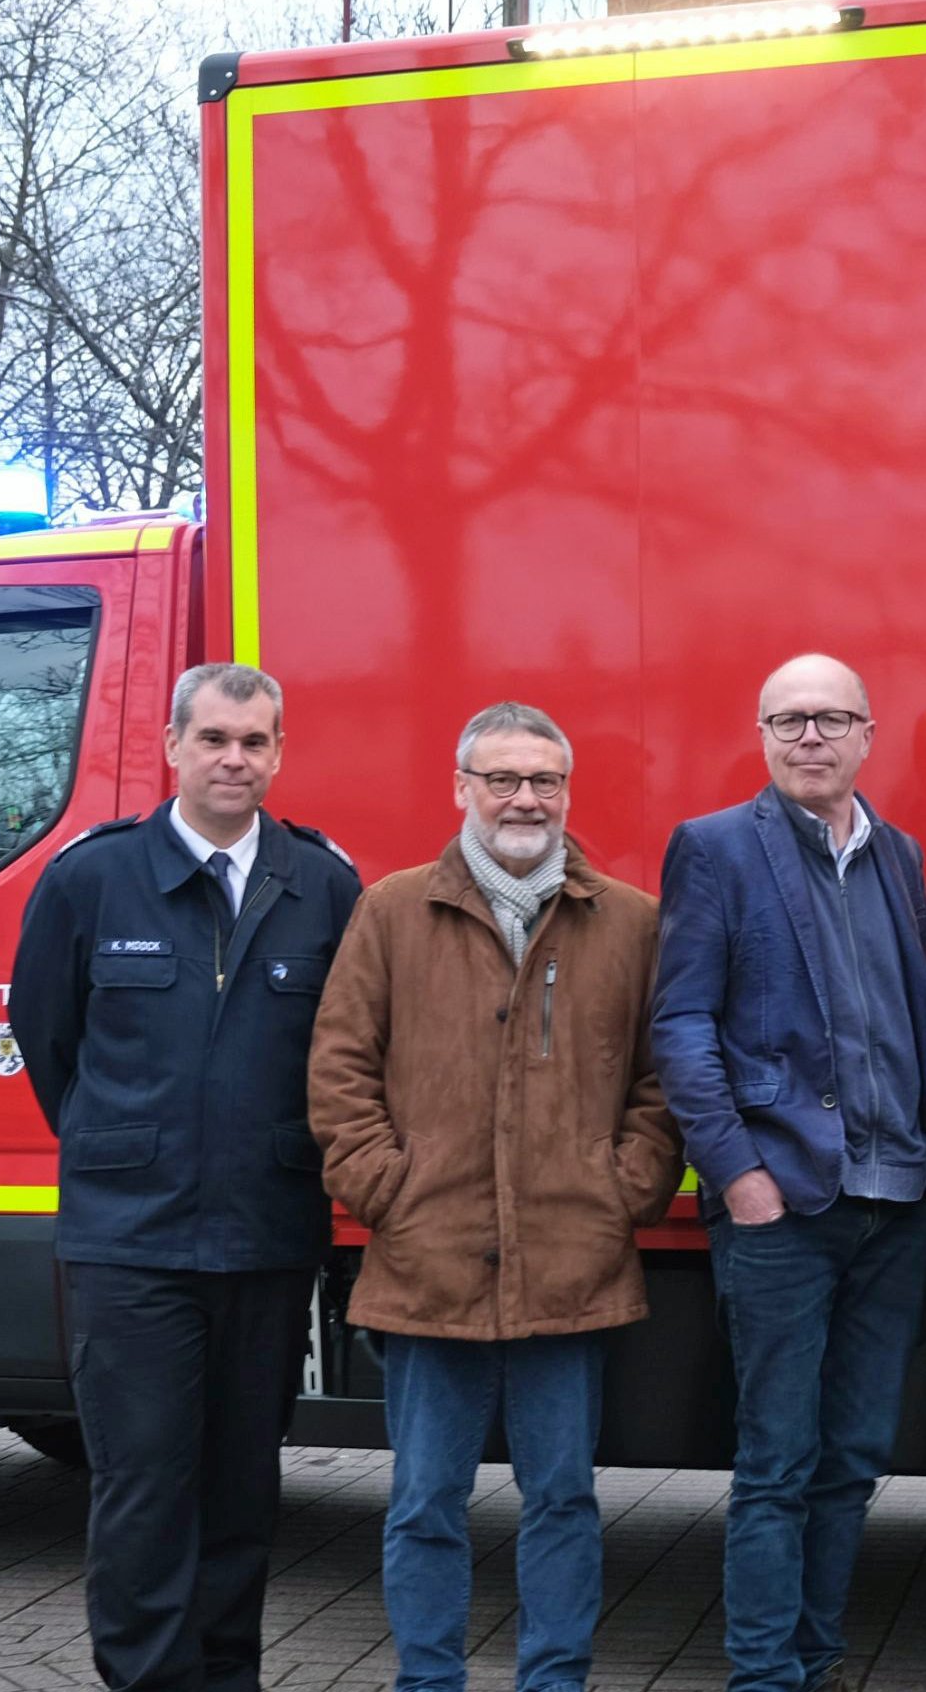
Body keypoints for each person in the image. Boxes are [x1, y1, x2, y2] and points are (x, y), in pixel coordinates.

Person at [305, 702, 682, 1692]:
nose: (525, 799)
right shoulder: (391, 911)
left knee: (562, 1499)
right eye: (503, 778)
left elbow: (662, 1081)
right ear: (462, 788)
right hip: (427, 1261)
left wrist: (623, 1186)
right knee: (425, 1501)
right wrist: (388, 1188)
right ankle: (428, 1680)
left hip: (572, 1259)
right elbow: (340, 1070)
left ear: (567, 791)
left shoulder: (630, 922)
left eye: (544, 780)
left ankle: (554, 1680)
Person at [8, 662, 364, 1692]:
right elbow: (48, 1038)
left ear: (279, 752)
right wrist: (125, 1144)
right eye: (213, 738)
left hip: (266, 1233)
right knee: (144, 1488)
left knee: (243, 1491)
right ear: (172, 745)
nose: (233, 759)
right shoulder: (92, 877)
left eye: (254, 741)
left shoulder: (323, 885)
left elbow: (346, 1049)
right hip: (132, 1241)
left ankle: (225, 1676)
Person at [651, 655, 926, 1692]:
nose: (810, 737)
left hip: (895, 1199)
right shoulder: (715, 848)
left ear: (867, 734)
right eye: (788, 720)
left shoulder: (897, 854)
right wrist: (737, 1172)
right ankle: (762, 1674)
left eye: (831, 719)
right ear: (761, 734)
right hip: (780, 1206)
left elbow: (916, 1004)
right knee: (777, 1462)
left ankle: (815, 1657)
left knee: (855, 1456)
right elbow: (681, 1024)